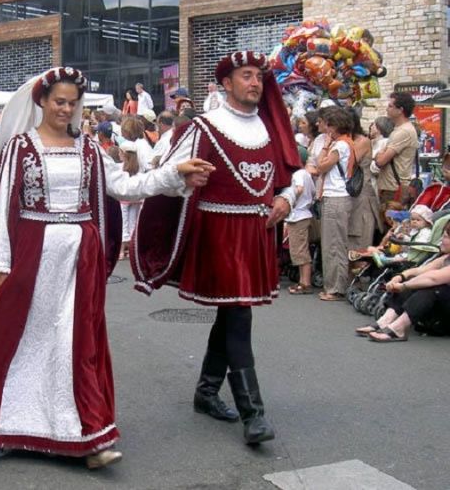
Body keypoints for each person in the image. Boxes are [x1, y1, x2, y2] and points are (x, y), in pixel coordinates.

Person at [0, 66, 213, 468]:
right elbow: (0, 208)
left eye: (73, 102)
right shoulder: (19, 148)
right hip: (32, 256)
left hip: (81, 260)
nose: (66, 108)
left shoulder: (88, 147)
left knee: (76, 345)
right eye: (59, 101)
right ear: (41, 101)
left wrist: (173, 175)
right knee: (20, 342)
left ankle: (86, 435)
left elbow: (125, 187)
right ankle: (3, 422)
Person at [132, 51, 301, 445]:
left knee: (232, 316)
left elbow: (292, 176)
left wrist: (286, 200)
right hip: (220, 236)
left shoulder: (270, 127)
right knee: (240, 316)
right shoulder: (204, 127)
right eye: (246, 76)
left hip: (255, 234)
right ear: (226, 83)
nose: (255, 82)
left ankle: (207, 391)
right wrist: (185, 180)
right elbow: (167, 173)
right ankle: (253, 414)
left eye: (259, 76)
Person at [356, 220, 450, 342]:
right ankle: (385, 321)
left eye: (446, 237)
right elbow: (420, 270)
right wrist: (400, 277)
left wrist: (404, 286)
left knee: (433, 287)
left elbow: (433, 278)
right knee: (414, 280)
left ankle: (399, 328)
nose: (441, 240)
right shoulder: (445, 258)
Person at [316, 107, 355, 301]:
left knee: (334, 243)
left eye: (328, 125)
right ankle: (333, 285)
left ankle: (336, 288)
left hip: (336, 196)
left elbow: (321, 165)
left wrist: (325, 146)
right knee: (333, 242)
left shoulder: (340, 145)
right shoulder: (346, 143)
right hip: (337, 196)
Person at [374, 92, 418, 208]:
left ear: (400, 110)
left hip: (393, 188)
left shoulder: (403, 132)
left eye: (390, 106)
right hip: (391, 186)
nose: (387, 109)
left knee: (389, 223)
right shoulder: (399, 130)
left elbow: (380, 161)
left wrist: (379, 154)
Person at [348, 111, 380, 251]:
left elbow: (349, 162)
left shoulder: (363, 141)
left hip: (361, 196)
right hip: (349, 199)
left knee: (359, 245)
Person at [285, 148, 316, 294]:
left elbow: (299, 189)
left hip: (297, 215)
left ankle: (305, 283)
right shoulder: (307, 174)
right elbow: (314, 192)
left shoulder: (297, 174)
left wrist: (289, 199)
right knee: (301, 249)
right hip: (305, 213)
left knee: (299, 250)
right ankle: (303, 281)